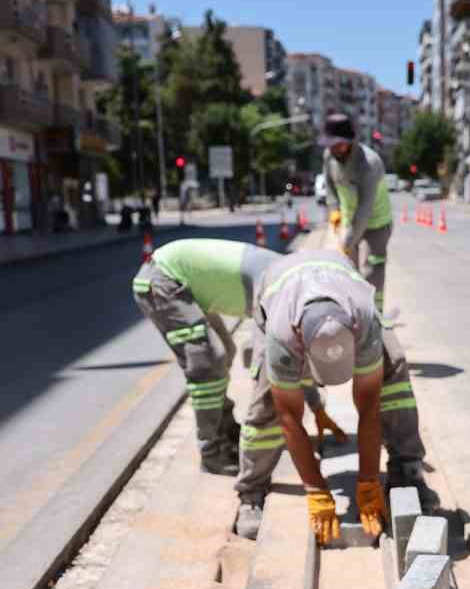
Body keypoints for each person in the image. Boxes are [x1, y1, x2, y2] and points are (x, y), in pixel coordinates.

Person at [233, 248, 427, 542]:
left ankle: (406, 469)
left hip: (340, 285)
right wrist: (317, 490)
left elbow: (369, 407)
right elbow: (290, 419)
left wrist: (368, 482)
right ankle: (251, 491)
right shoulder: (282, 334)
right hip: (280, 292)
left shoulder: (363, 319)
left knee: (394, 367)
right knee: (267, 404)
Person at [133, 238, 346, 478]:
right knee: (208, 362)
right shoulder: (281, 297)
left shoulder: (297, 289)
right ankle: (212, 452)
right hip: (163, 281)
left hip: (178, 279)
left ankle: (225, 429)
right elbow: (271, 363)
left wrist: (317, 408)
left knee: (225, 350)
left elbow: (298, 359)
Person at [321, 112, 394, 313]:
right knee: (348, 271)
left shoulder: (369, 163)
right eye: (330, 144)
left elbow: (364, 209)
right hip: (349, 219)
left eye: (338, 144)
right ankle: (353, 313)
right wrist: (334, 211)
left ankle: (375, 315)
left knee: (371, 271)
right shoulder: (329, 156)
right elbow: (330, 187)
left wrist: (347, 242)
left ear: (350, 141)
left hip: (376, 222)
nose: (334, 149)